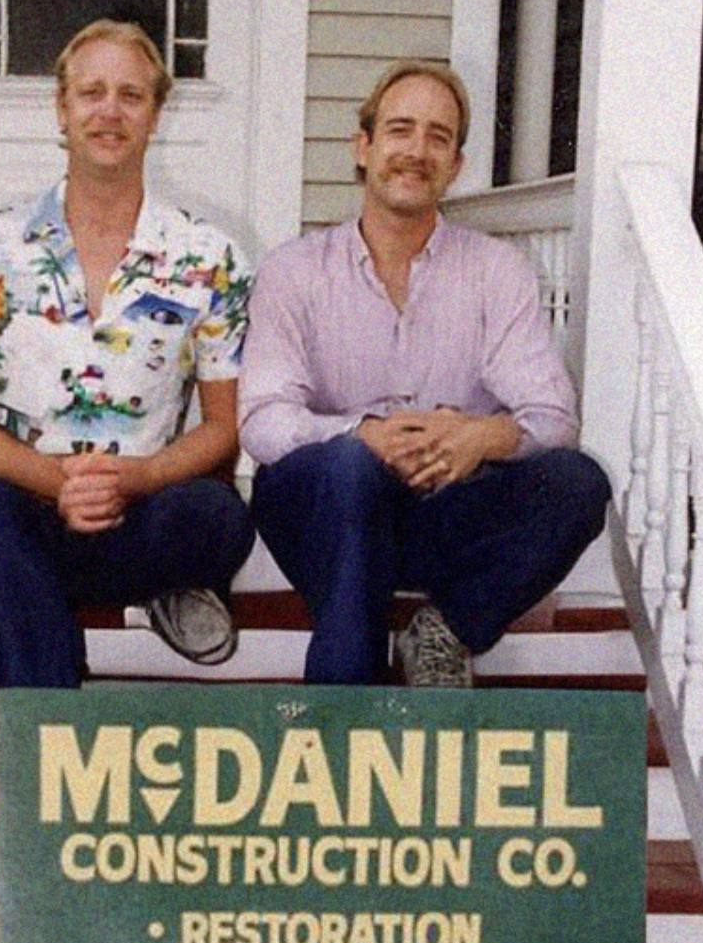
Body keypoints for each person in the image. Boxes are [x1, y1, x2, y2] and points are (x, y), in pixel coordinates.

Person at [239, 58, 610, 686]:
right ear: (363, 148)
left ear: (456, 165)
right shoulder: (294, 271)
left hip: (445, 512)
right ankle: (344, 693)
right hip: (330, 511)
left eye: (439, 137)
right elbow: (263, 420)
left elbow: (551, 416)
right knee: (346, 471)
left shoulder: (497, 271)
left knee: (578, 484)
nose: (417, 151)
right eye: (400, 130)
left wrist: (481, 437)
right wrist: (362, 435)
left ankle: (449, 629)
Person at [0, 18, 255, 686]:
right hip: (28, 506)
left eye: (131, 96)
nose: (110, 111)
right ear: (62, 107)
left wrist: (135, 479)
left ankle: (132, 590)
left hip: (143, 508)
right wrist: (56, 484)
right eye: (92, 92)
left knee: (219, 518)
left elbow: (225, 426)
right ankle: (51, 723)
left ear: (156, 114)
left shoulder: (209, 256)